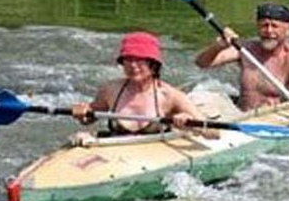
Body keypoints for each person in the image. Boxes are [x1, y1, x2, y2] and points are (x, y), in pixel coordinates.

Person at [194, 2, 289, 117]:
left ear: (288, 31)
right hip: (241, 114)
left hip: (272, 117)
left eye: (275, 26)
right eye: (264, 25)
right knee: (198, 98)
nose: (268, 31)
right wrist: (218, 46)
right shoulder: (246, 49)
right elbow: (202, 63)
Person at [72, 31, 213, 137]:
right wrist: (82, 114)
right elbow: (90, 117)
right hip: (119, 154)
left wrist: (191, 123)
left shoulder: (170, 95)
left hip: (155, 155)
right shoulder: (110, 89)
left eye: (140, 60)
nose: (133, 66)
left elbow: (214, 132)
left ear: (153, 65)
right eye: (128, 59)